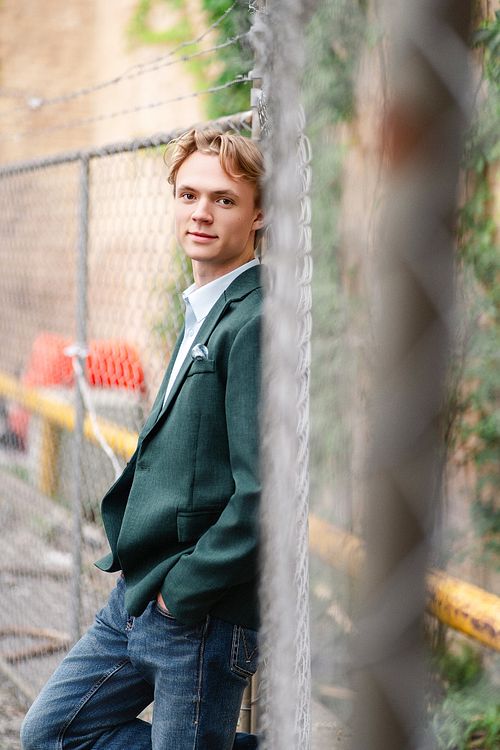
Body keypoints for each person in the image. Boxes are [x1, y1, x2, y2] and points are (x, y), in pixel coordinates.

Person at [21, 128, 265, 750]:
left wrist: (181, 592)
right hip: (138, 591)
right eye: (189, 195)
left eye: (224, 199)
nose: (201, 213)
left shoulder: (257, 320)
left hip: (199, 610)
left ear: (259, 214)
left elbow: (263, 493)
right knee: (51, 735)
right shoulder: (205, 306)